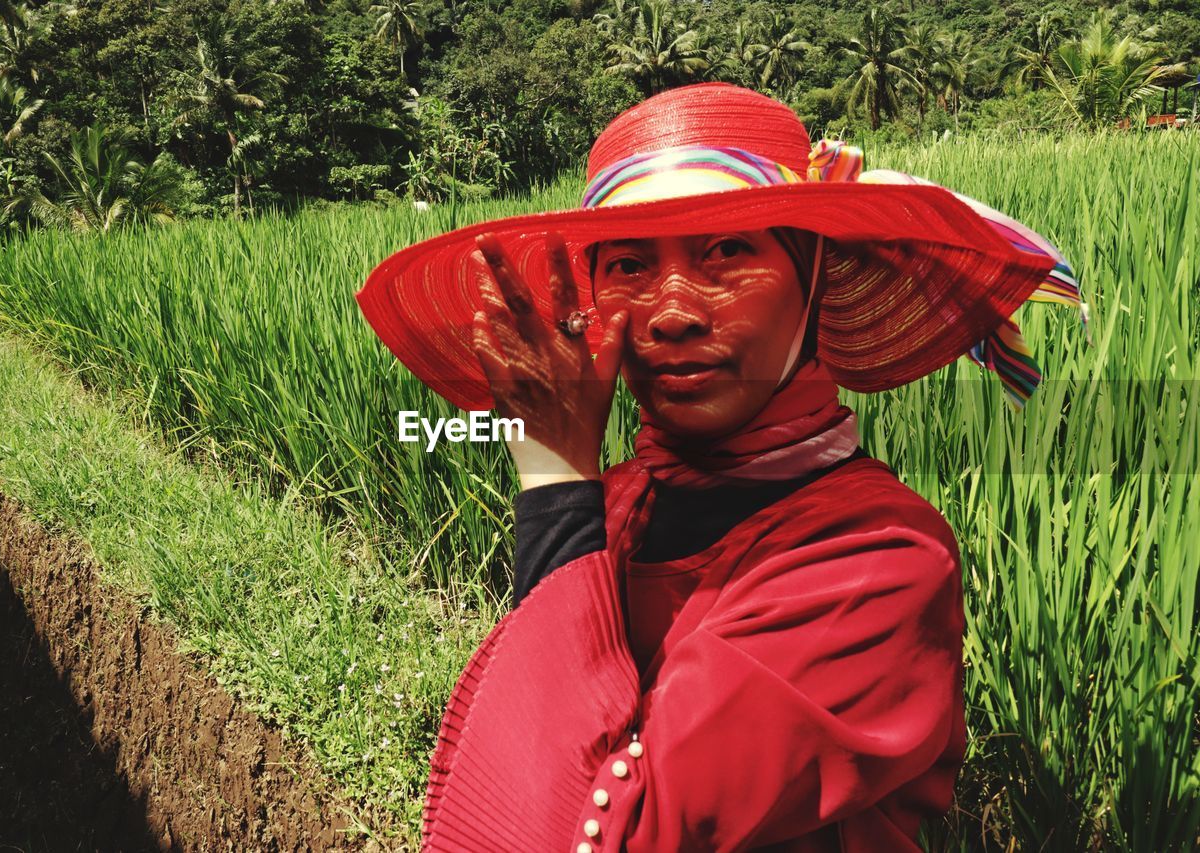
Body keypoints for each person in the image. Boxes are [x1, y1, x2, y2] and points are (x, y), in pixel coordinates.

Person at [356, 83, 1085, 852]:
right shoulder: (619, 503)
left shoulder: (880, 561)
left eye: (727, 252)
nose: (674, 311)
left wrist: (549, 470)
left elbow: (587, 830)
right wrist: (562, 488)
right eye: (631, 263)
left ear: (814, 281)